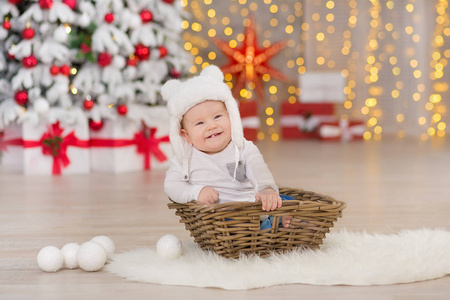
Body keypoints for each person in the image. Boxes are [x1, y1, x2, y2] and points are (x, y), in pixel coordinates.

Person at [162, 65, 292, 229]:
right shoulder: (185, 158)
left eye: (217, 116)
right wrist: (196, 192)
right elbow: (171, 185)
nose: (212, 126)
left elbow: (258, 168)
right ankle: (268, 225)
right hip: (224, 214)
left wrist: (266, 189)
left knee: (284, 200)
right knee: (232, 223)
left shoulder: (242, 147)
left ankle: (276, 218)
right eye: (200, 123)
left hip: (254, 203)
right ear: (186, 135)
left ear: (231, 117)